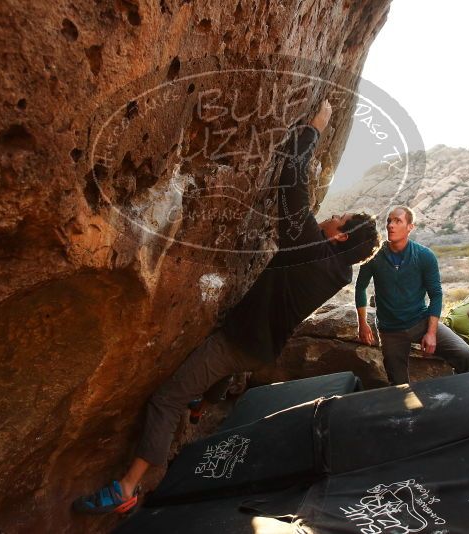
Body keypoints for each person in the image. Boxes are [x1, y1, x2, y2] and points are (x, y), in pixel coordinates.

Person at [73, 100, 382, 514]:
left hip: (238, 342)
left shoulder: (310, 248)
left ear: (340, 237)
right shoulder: (335, 271)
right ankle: (202, 404)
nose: (331, 216)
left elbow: (292, 179)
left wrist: (316, 127)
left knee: (166, 399)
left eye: (338, 217)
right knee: (216, 371)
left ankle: (128, 488)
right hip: (259, 347)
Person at [355, 206, 469, 386]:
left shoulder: (424, 255)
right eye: (389, 221)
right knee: (398, 384)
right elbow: (360, 288)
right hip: (390, 330)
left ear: (410, 227)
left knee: (465, 354)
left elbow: (436, 294)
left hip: (420, 321)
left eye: (397, 221)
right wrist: (362, 324)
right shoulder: (374, 255)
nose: (390, 225)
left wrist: (431, 333)